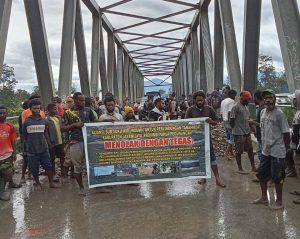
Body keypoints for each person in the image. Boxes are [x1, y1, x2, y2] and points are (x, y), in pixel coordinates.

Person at [253, 89, 290, 210]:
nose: (268, 100)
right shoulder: (263, 111)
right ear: (263, 100)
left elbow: (286, 133)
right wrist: (253, 123)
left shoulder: (280, 114)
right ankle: (264, 198)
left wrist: (286, 148)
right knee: (261, 174)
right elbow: (263, 126)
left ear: (274, 99)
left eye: (270, 97)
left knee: (278, 177)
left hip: (278, 151)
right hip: (265, 150)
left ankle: (279, 202)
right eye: (266, 98)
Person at [62, 92, 101, 195]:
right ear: (75, 100)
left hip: (89, 140)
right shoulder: (68, 113)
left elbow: (95, 121)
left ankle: (97, 186)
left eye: (84, 100)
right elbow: (63, 128)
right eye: (81, 100)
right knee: (77, 166)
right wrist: (75, 125)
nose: (83, 102)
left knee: (93, 163)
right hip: (76, 141)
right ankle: (81, 187)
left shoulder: (88, 110)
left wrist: (106, 121)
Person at [185, 91, 226, 188]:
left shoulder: (209, 109)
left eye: (201, 100)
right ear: (194, 100)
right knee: (201, 158)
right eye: (198, 100)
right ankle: (203, 177)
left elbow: (217, 122)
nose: (200, 102)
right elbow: (185, 123)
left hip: (207, 138)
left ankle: (217, 179)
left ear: (204, 100)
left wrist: (211, 121)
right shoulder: (190, 110)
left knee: (212, 158)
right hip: (196, 139)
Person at [23, 99, 59, 190]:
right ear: (30, 109)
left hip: (44, 148)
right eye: (35, 108)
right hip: (32, 149)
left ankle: (51, 182)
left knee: (48, 166)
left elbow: (45, 133)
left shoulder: (43, 121)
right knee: (34, 168)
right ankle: (37, 183)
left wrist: (49, 144)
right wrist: (27, 148)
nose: (37, 110)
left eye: (38, 108)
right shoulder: (27, 122)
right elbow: (25, 136)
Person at [230, 91, 257, 174]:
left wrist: (253, 130)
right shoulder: (236, 107)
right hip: (238, 133)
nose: (248, 101)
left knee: (250, 149)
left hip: (246, 132)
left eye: (249, 100)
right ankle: (240, 168)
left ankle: (253, 167)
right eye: (247, 100)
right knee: (239, 151)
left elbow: (248, 119)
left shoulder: (246, 107)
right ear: (242, 99)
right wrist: (235, 129)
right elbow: (232, 120)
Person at [0, 106, 18, 201]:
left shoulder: (10, 126)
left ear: (7, 114)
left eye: (4, 113)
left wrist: (14, 153)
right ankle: (2, 192)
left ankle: (11, 183)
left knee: (8, 171)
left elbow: (13, 140)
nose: (2, 115)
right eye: (0, 113)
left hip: (7, 154)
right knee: (2, 175)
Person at [46, 103, 65, 182]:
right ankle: (53, 173)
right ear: (49, 110)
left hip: (60, 142)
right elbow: (46, 132)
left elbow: (61, 129)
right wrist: (49, 143)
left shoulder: (58, 118)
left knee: (62, 157)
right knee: (52, 158)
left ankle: (64, 173)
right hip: (52, 143)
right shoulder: (46, 120)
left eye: (56, 109)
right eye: (54, 109)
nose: (56, 110)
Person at [248, 90, 265, 162]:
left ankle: (264, 169)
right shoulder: (261, 107)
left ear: (256, 98)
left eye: (254, 97)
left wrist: (252, 122)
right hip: (260, 134)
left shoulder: (262, 108)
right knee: (260, 151)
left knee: (261, 153)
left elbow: (264, 124)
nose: (253, 99)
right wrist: (254, 120)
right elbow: (260, 120)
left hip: (262, 134)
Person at [220, 90, 237, 160]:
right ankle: (227, 153)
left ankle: (231, 153)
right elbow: (230, 112)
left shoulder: (223, 101)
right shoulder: (231, 101)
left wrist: (222, 120)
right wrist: (231, 123)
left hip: (224, 120)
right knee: (233, 138)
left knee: (229, 137)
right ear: (232, 95)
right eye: (235, 95)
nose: (235, 97)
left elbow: (221, 113)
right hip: (229, 121)